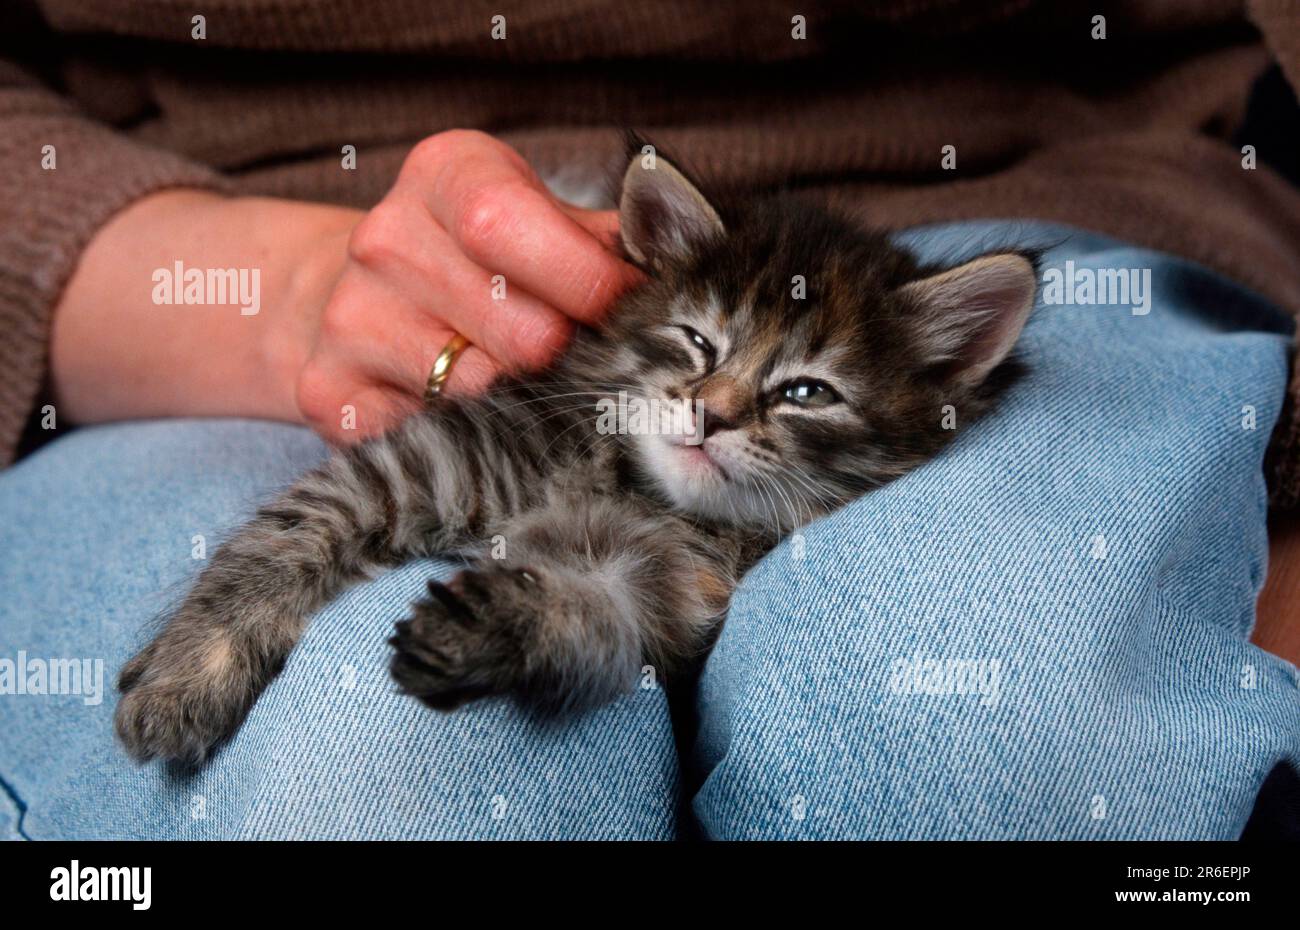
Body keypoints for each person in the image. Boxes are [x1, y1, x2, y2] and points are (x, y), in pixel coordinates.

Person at [0, 1, 1296, 839]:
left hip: (1090, 219)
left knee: (984, 739)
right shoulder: (601, 380)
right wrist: (268, 287)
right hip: (240, 275)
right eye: (708, 370)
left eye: (784, 395)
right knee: (399, 767)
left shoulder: (922, 370)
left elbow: (651, 585)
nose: (716, 412)